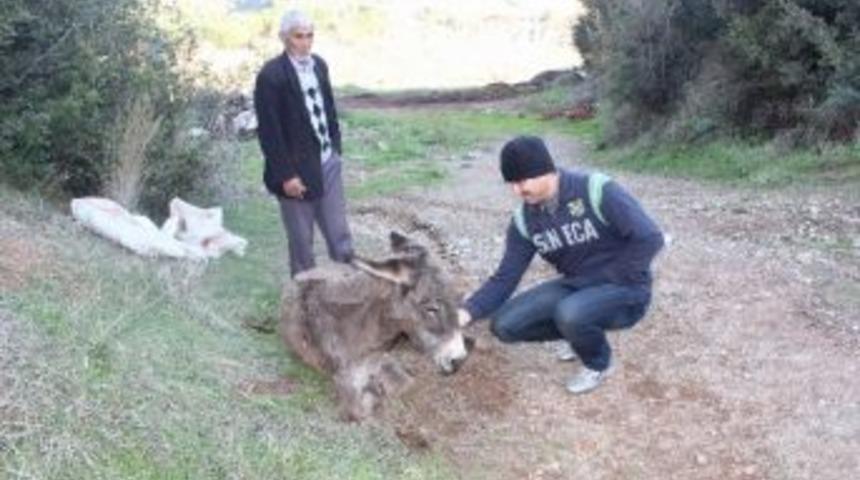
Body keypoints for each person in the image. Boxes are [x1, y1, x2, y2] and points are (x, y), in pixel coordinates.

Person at [457, 135, 664, 394]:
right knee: (504, 326)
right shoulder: (525, 220)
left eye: (522, 181)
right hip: (576, 286)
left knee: (571, 312)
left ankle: (598, 363)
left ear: (545, 170)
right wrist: (466, 312)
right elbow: (505, 278)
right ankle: (579, 334)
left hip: (626, 288)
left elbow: (649, 238)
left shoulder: (596, 190)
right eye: (511, 183)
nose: (517, 191)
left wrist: (614, 276)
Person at [254, 9, 353, 277]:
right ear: (285, 38)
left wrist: (335, 148)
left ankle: (350, 288)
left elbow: (329, 108)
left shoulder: (319, 65)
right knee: (301, 242)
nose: (306, 43)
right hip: (295, 172)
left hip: (326, 161)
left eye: (310, 36)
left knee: (339, 231)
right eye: (299, 36)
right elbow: (269, 133)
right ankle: (303, 301)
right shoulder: (271, 76)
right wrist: (286, 175)